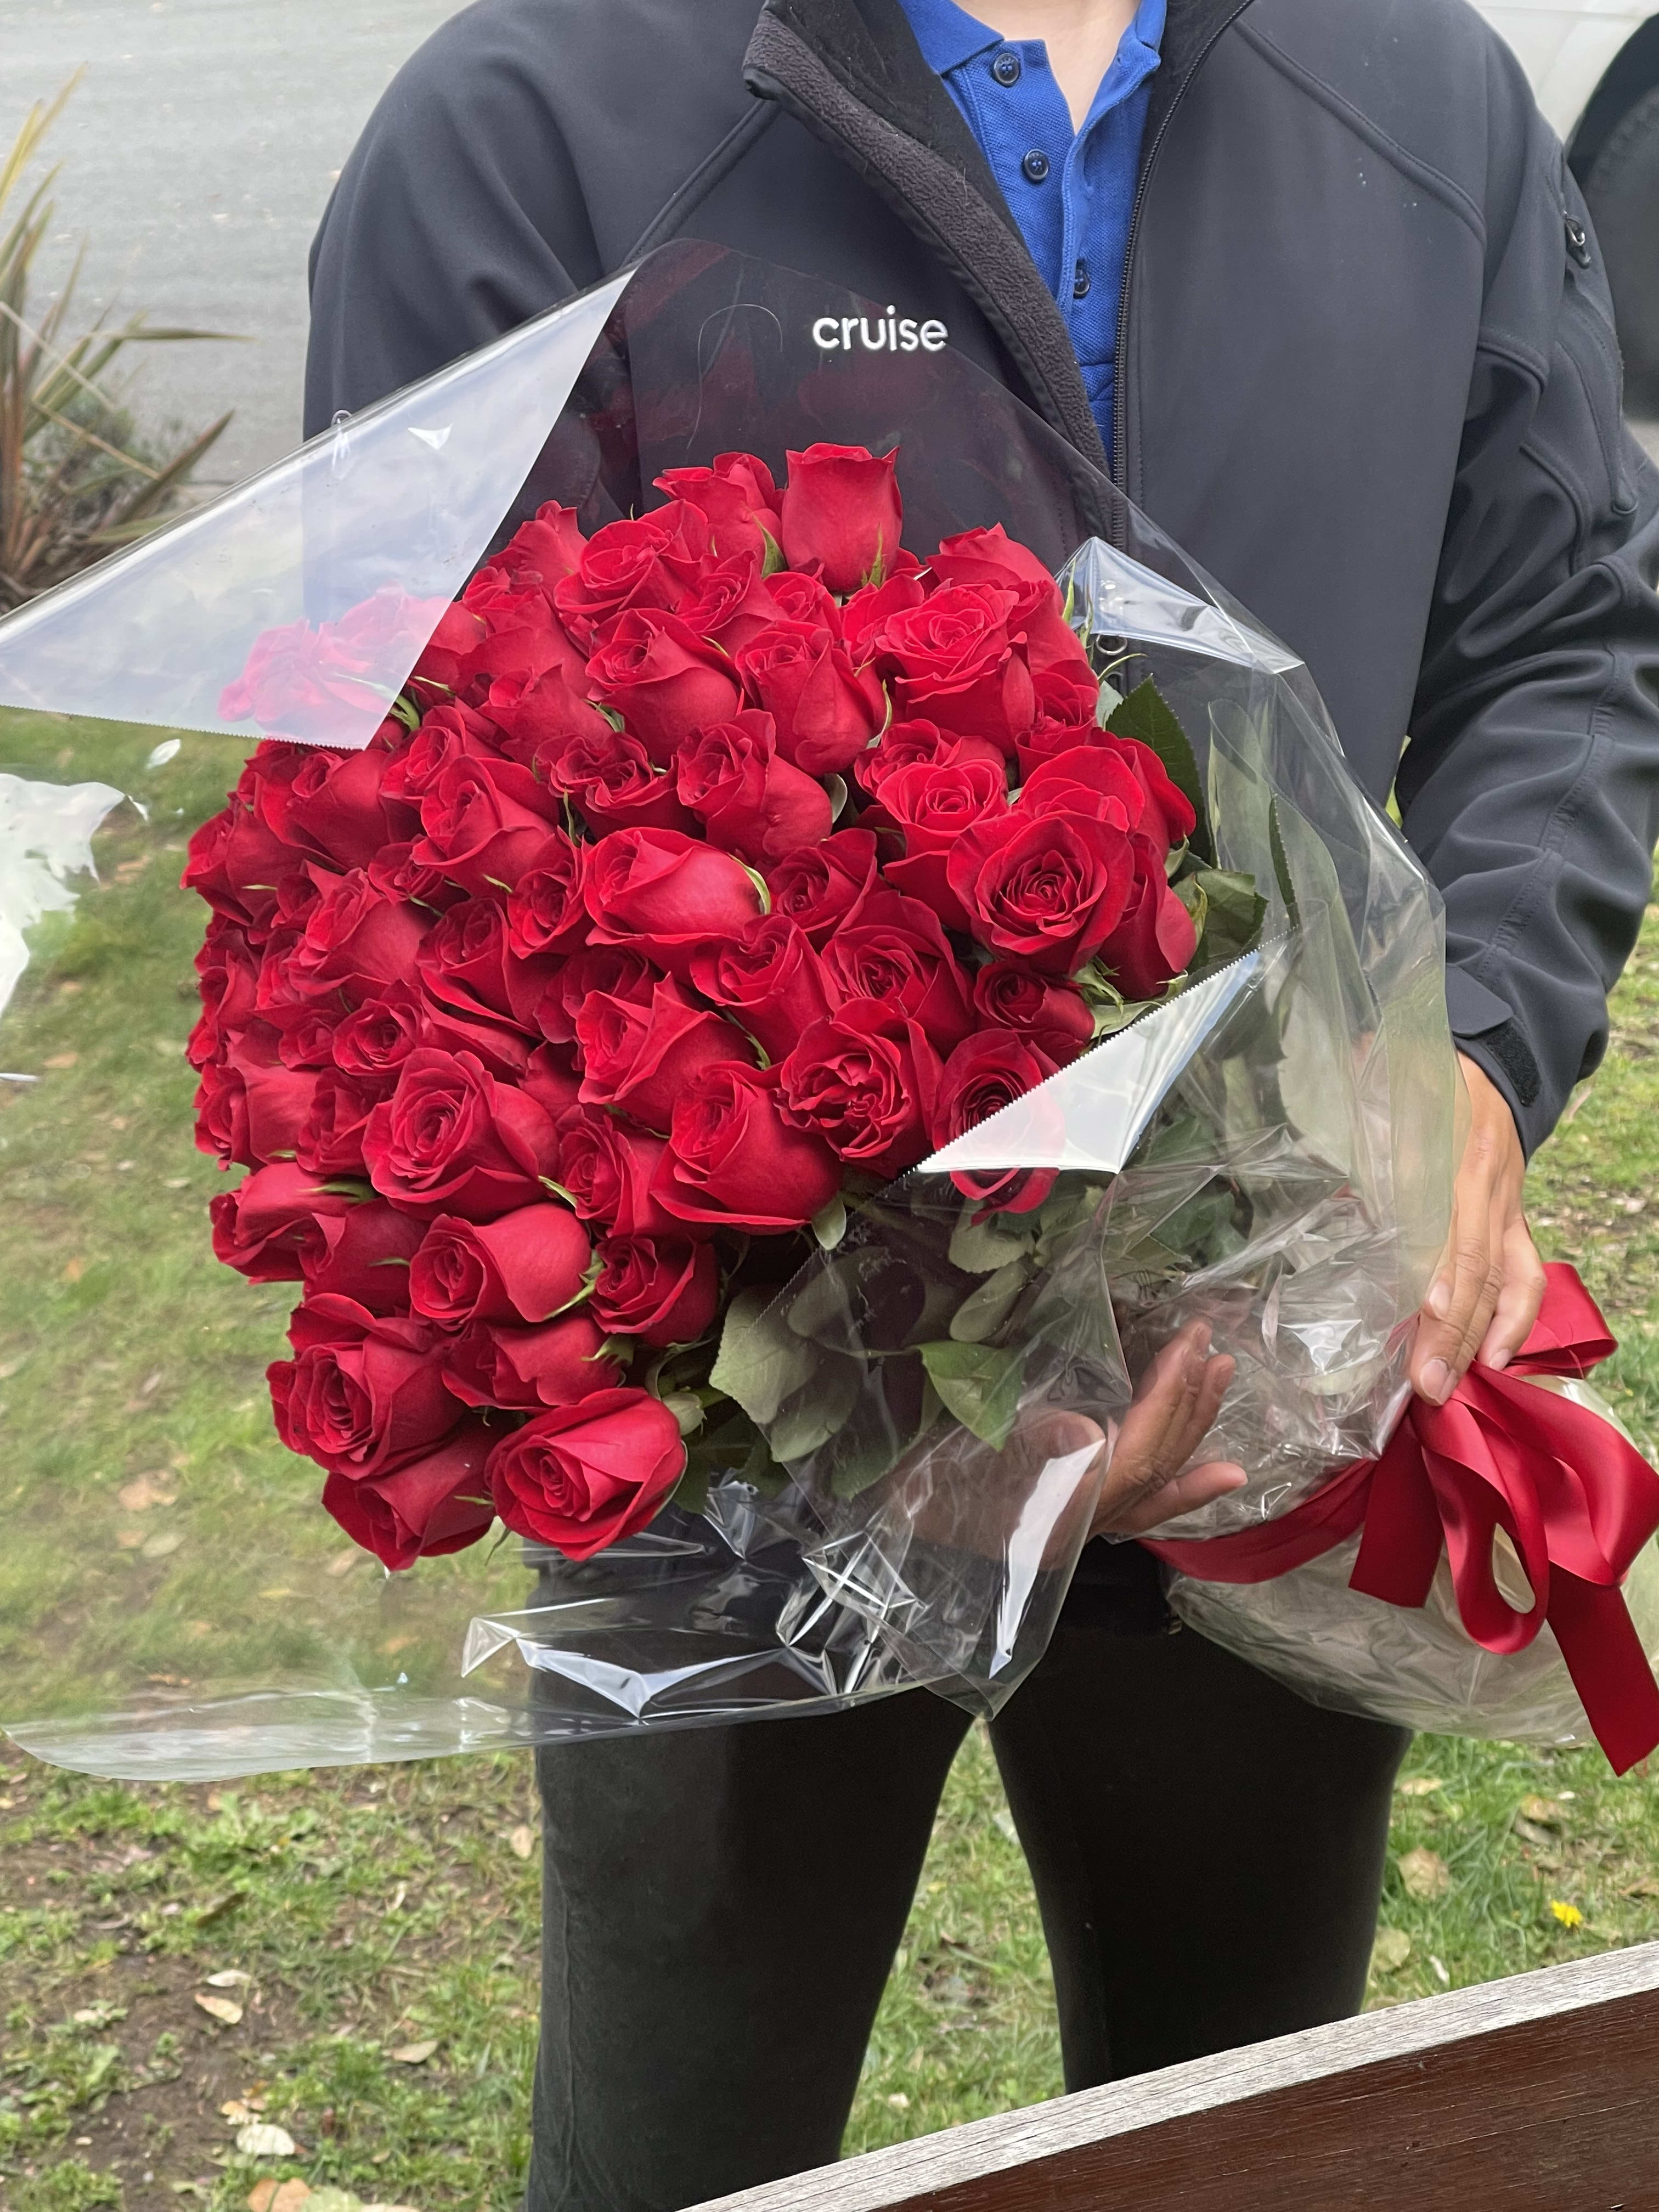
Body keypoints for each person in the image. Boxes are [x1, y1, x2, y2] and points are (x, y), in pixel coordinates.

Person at [306, 0, 1659, 2203]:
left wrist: (1479, 1045)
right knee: (685, 2147)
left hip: (1263, 1372)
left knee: (1236, 2132)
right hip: (743, 1456)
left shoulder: (1424, 95)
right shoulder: (530, 124)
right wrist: (826, 1348)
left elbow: (1557, 642)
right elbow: (409, 820)